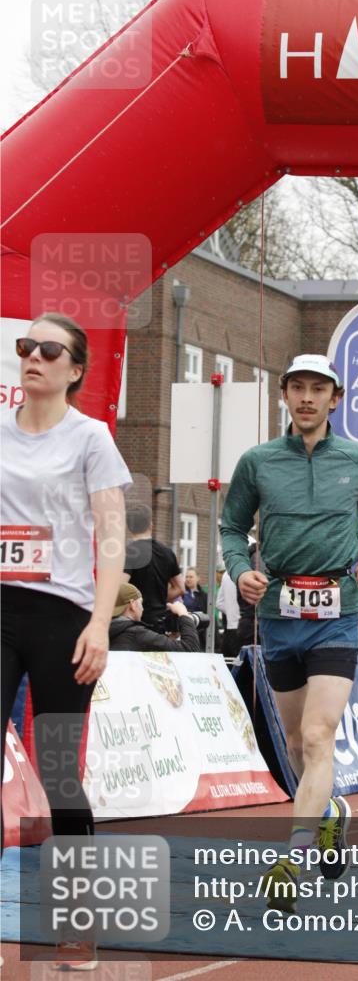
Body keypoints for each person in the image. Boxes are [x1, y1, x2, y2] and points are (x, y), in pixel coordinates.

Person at [220, 353, 358, 910]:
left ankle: (292, 859)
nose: (307, 398)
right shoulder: (259, 462)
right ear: (285, 395)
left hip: (338, 612)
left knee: (319, 737)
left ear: (334, 398)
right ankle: (330, 811)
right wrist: (239, 569)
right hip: (278, 613)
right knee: (295, 743)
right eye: (297, 387)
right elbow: (230, 526)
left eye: (318, 388)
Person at [0, 313, 131, 970]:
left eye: (49, 351)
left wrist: (101, 623)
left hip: (63, 617)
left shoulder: (92, 438)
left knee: (57, 771)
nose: (33, 358)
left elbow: (112, 539)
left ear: (74, 370)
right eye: (26, 347)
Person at [123, 504, 184, 633]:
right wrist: (159, 599)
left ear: (129, 527)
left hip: (133, 622)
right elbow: (180, 588)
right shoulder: (168, 553)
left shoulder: (127, 553)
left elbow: (120, 587)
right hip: (159, 622)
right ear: (151, 525)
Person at [109, 583, 201, 651]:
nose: (142, 609)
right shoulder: (136, 633)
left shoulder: (102, 631)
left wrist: (170, 640)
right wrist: (183, 614)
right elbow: (190, 649)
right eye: (140, 603)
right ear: (133, 605)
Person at [182, 567, 208, 648]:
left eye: (191, 577)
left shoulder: (204, 596)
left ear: (198, 578)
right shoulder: (181, 593)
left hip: (200, 633)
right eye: (186, 577)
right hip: (185, 629)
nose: (188, 579)